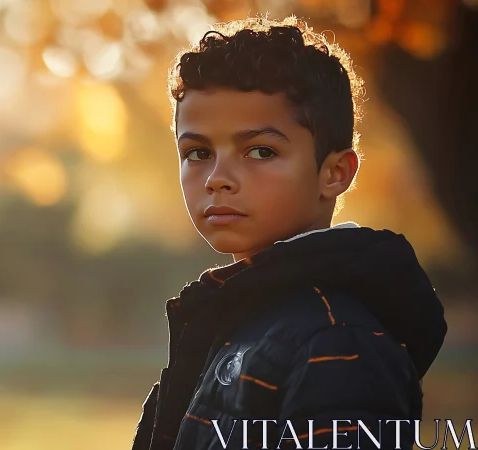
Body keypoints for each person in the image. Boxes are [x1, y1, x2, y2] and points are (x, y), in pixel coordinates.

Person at [131, 16, 447, 450]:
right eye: (198, 152)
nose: (217, 178)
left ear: (335, 173)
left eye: (261, 151)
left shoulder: (337, 339)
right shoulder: (234, 311)